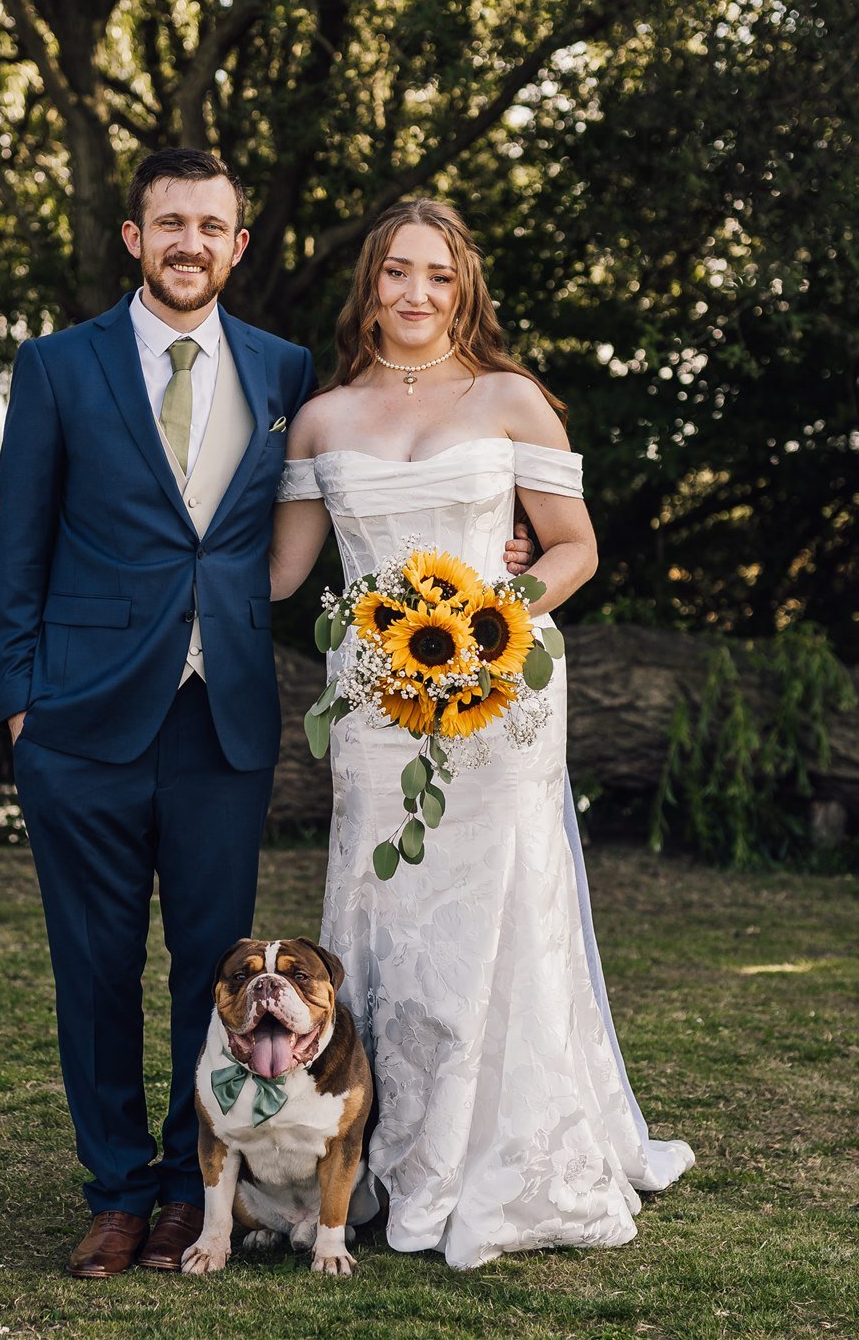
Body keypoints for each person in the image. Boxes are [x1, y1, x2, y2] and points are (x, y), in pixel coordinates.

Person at [0, 152, 533, 1277]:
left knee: (215, 971)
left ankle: (195, 1193)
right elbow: (17, 549)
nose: (190, 243)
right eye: (169, 224)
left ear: (238, 248)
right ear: (134, 239)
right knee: (91, 969)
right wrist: (17, 707)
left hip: (220, 724)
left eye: (212, 227)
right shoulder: (56, 368)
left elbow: (325, 514)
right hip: (77, 722)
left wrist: (495, 557)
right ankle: (114, 1192)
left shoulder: (287, 376)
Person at [269, 198, 695, 1269]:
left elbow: (572, 549)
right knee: (384, 912)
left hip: (500, 696)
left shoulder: (511, 400)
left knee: (494, 912)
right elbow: (278, 573)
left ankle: (498, 1153)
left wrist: (490, 619)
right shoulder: (321, 420)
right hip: (371, 705)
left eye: (438, 277)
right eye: (396, 273)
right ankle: (382, 1150)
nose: (415, 294)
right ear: (368, 284)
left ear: (464, 290)